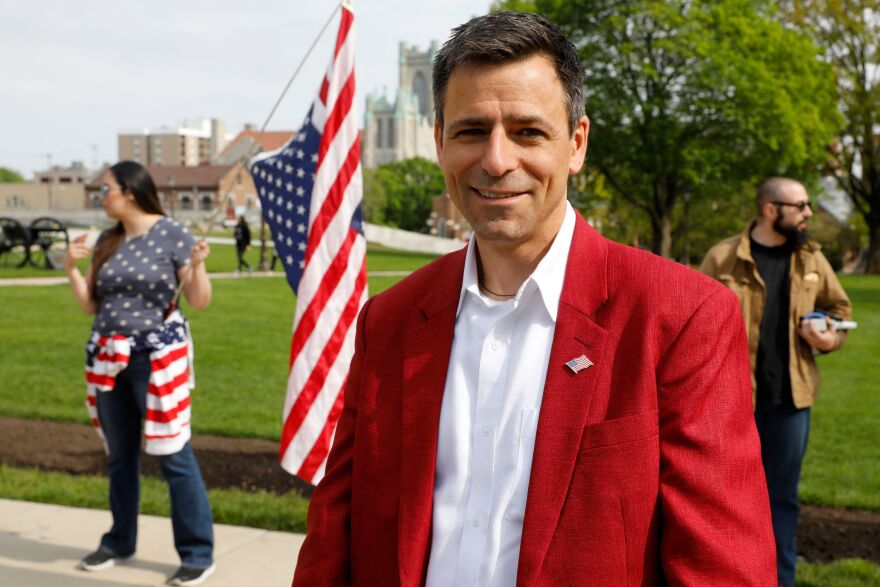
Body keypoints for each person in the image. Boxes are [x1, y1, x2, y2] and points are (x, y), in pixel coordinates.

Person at [294, 12, 775, 586]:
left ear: (576, 143)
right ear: (439, 141)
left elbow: (723, 569)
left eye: (528, 131)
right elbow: (334, 535)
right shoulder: (391, 318)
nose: (496, 161)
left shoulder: (679, 316)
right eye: (471, 131)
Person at [64, 161, 216, 586]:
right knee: (119, 456)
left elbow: (199, 300)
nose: (101, 197)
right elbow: (91, 306)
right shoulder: (108, 241)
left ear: (129, 190)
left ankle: (197, 553)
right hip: (108, 361)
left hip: (155, 360)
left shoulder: (172, 234)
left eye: (105, 190)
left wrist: (199, 264)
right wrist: (70, 269)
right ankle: (119, 542)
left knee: (173, 455)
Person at [701, 177, 852, 587]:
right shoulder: (722, 257)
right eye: (800, 205)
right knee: (724, 499)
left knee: (781, 500)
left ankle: (779, 580)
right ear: (772, 210)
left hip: (790, 401)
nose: (807, 213)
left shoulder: (811, 259)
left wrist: (829, 335)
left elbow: (839, 309)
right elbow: (695, 322)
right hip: (731, 403)